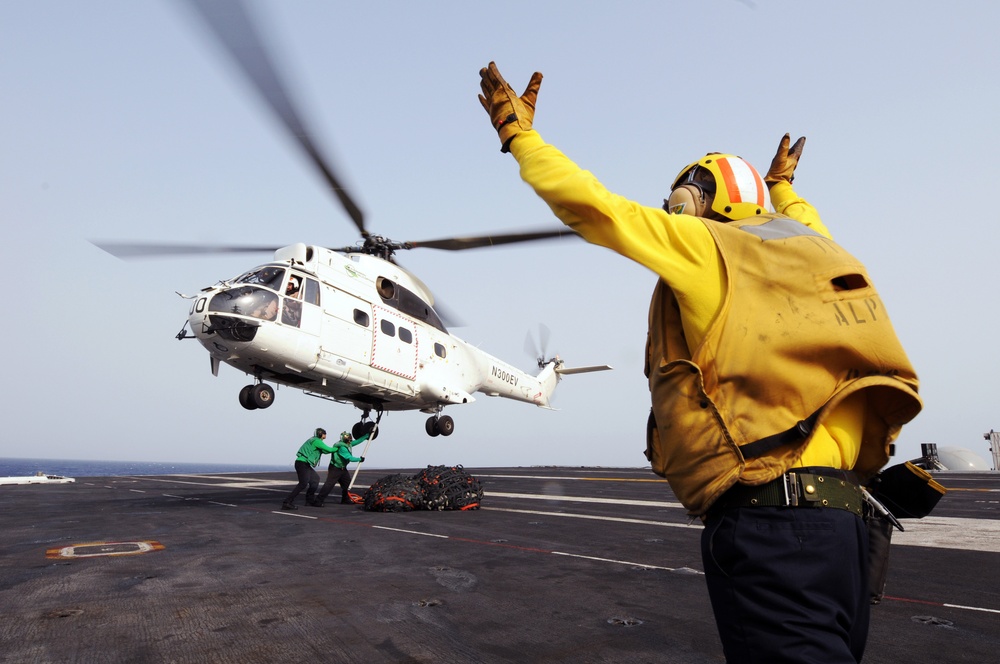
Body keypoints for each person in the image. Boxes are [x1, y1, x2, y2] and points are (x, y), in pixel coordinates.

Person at [477, 62, 922, 663]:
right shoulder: (816, 249)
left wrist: (519, 136)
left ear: (703, 200)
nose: (672, 208)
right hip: (847, 526)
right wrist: (781, 186)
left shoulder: (708, 246)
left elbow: (598, 208)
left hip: (771, 523)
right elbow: (800, 216)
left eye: (679, 199)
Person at [281, 428, 337, 510]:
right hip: (302, 463)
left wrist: (335, 449)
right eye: (324, 434)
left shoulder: (315, 440)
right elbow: (329, 449)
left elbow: (326, 451)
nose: (325, 435)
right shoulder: (317, 441)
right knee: (303, 483)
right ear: (321, 434)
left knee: (315, 480)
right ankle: (287, 502)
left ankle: (309, 501)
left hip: (305, 464)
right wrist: (339, 447)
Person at [315, 431, 369, 506]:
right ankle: (318, 501)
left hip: (343, 468)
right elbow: (348, 457)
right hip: (335, 468)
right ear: (344, 439)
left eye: (350, 438)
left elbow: (356, 442)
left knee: (347, 483)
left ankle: (345, 499)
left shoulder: (348, 444)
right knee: (329, 484)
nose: (350, 440)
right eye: (348, 438)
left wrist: (366, 436)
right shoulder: (341, 447)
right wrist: (359, 459)